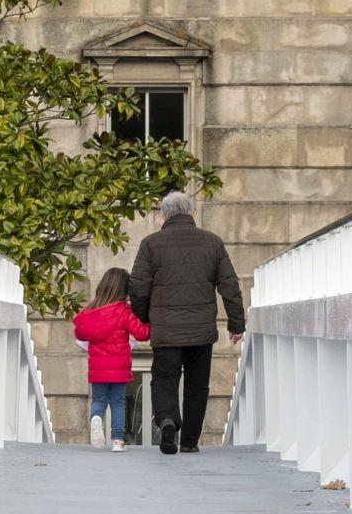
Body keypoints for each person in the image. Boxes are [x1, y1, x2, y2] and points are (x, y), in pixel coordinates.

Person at [127, 190, 245, 457]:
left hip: (166, 329)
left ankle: (168, 420)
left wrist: (145, 318)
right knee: (197, 385)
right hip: (201, 331)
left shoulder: (150, 244)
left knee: (164, 379)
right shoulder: (212, 243)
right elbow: (229, 286)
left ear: (163, 216)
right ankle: (190, 440)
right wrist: (236, 324)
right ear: (192, 213)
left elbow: (138, 288)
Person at [70, 266, 148, 451]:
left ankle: (96, 418)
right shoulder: (124, 311)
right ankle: (117, 441)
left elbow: (80, 334)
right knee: (118, 402)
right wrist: (150, 322)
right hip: (119, 365)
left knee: (99, 400)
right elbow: (141, 333)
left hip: (97, 366)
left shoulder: (91, 311)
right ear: (124, 290)